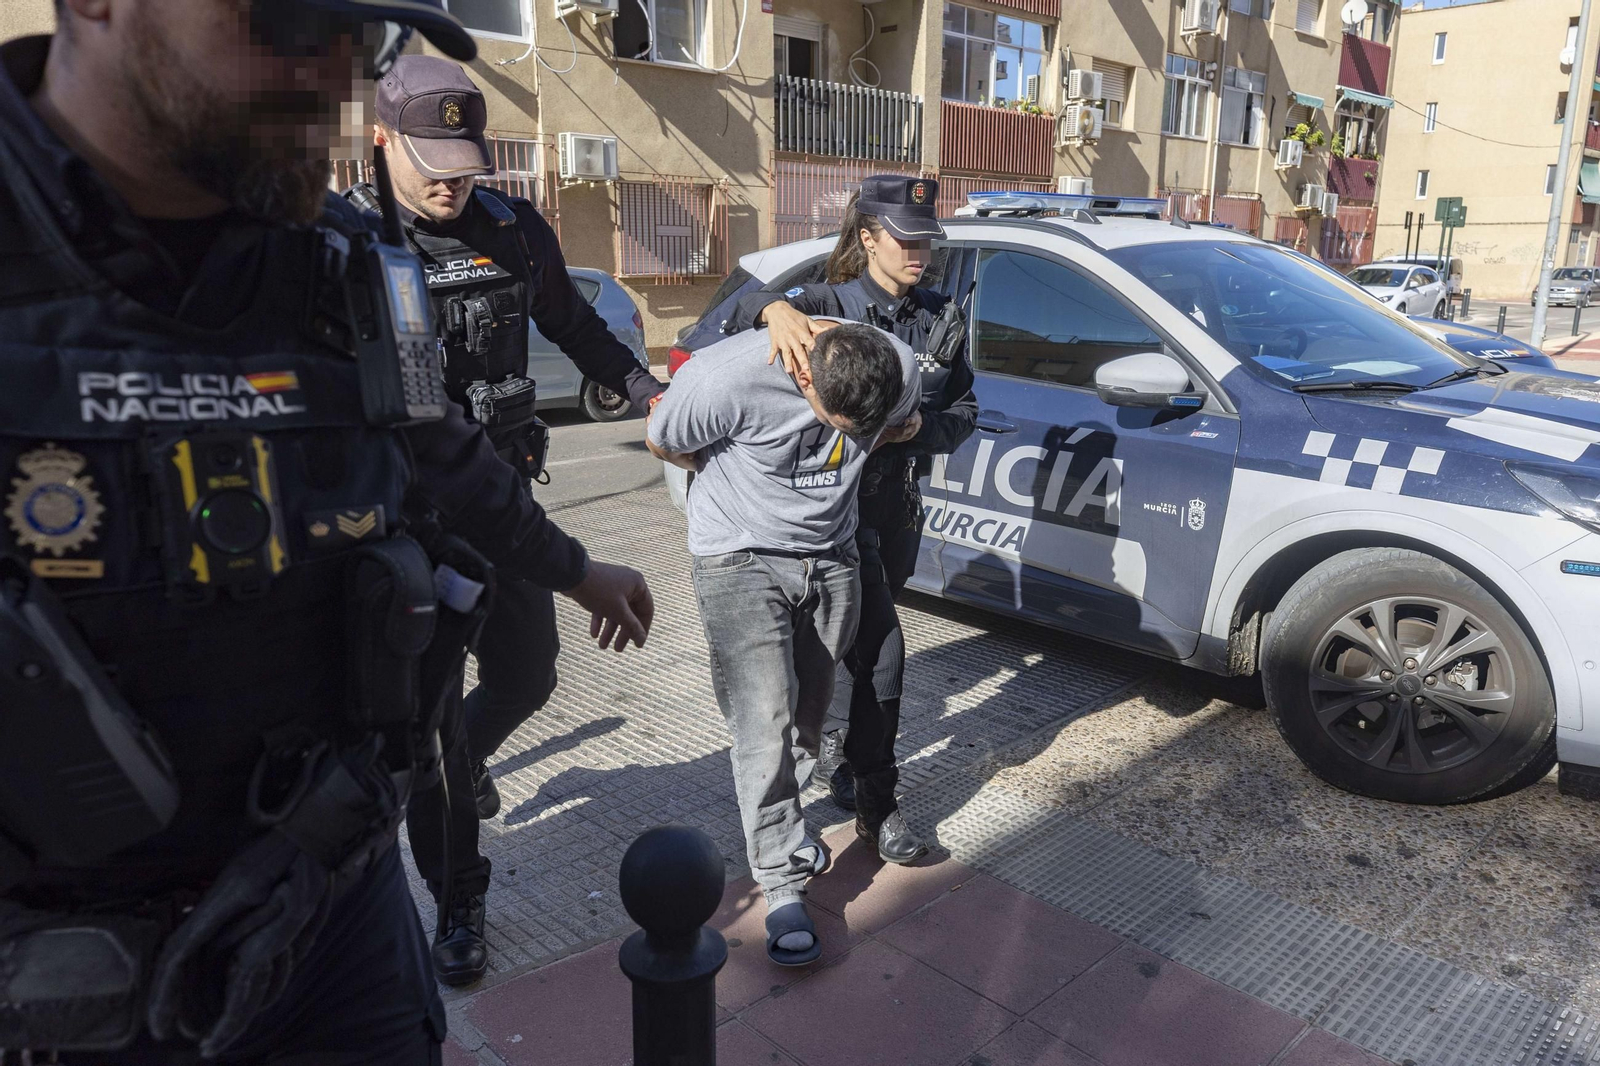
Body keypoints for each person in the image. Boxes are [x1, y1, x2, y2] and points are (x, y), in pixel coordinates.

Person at [0, 2, 652, 1063]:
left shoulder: (345, 262)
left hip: (328, 920)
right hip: (64, 990)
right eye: (287, 19)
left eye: (359, 38)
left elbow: (440, 451)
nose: (332, 75)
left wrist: (575, 567)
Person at [343, 53, 666, 987]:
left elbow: (572, 324)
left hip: (510, 502)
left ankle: (461, 770)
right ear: (379, 139)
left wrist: (645, 387)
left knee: (528, 676)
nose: (450, 179)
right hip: (410, 531)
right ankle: (459, 901)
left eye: (464, 158)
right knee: (433, 746)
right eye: (428, 157)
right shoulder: (354, 247)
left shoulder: (513, 228)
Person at [646, 320, 920, 966]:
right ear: (803, 376)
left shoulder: (898, 367)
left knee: (807, 718)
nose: (851, 439)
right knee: (764, 723)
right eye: (839, 422)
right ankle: (780, 885)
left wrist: (890, 431)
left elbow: (903, 424)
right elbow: (662, 441)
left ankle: (789, 833)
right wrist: (738, 485)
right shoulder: (724, 377)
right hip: (738, 559)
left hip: (832, 558)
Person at [725, 176, 978, 864]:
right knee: (884, 655)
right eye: (905, 237)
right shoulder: (826, 304)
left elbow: (965, 412)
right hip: (826, 516)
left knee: (860, 653)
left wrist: (921, 427)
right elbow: (741, 304)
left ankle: (845, 750)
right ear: (867, 238)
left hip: (896, 510)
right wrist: (771, 310)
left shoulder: (939, 317)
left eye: (927, 238)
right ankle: (879, 805)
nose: (920, 250)